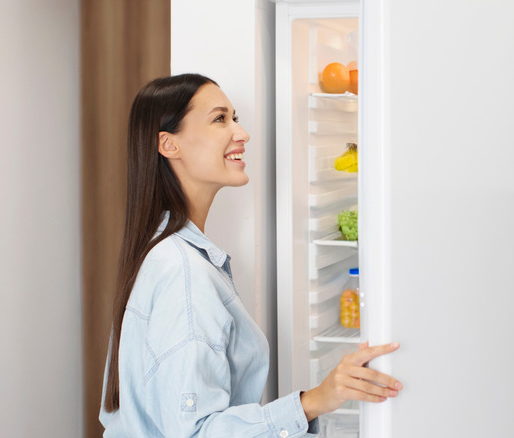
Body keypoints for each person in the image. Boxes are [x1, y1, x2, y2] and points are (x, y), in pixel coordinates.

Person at [99, 73, 402, 437]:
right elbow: (196, 432)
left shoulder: (163, 253)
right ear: (169, 144)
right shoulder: (183, 273)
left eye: (235, 117)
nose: (241, 133)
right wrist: (317, 399)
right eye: (219, 119)